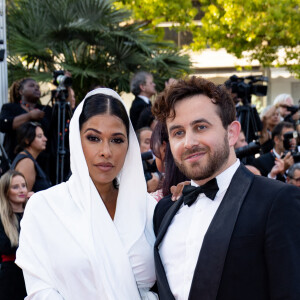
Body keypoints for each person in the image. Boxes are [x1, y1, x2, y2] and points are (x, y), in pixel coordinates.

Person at [152, 76, 300, 300]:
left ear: (231, 133)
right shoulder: (164, 210)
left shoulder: (276, 201)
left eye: (200, 127)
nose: (189, 142)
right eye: (178, 132)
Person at [16, 88, 157, 299]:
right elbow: (40, 291)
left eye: (117, 140)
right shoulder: (45, 207)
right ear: (76, 139)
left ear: (129, 146)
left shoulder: (148, 208)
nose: (106, 151)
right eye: (93, 138)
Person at [0, 78, 52, 162]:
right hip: (14, 159)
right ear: (21, 91)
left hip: (42, 161)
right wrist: (29, 116)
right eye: (31, 86)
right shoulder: (10, 107)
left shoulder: (46, 110)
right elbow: (3, 125)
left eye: (38, 87)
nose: (36, 88)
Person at [0, 170, 29, 300]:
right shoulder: (2, 219)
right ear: (6, 191)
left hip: (32, 273)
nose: (21, 190)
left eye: (23, 185)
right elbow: (6, 246)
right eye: (15, 187)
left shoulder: (33, 213)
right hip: (11, 277)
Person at [11, 122, 52, 193]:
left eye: (43, 135)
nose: (45, 139)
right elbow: (23, 195)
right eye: (39, 136)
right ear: (27, 140)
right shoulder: (27, 162)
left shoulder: (29, 160)